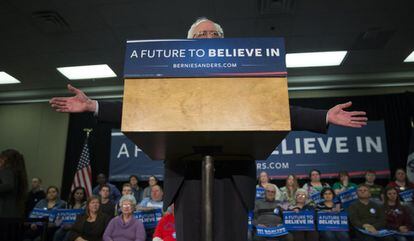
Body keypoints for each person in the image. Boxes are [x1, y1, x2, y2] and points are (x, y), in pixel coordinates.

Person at [49, 17, 368, 241]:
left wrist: (323, 116)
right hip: (186, 175)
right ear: (187, 46)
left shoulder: (245, 81)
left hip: (232, 175)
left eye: (212, 35)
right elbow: (139, 111)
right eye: (199, 36)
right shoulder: (169, 85)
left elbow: (276, 111)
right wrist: (93, 107)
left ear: (223, 44)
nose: (206, 40)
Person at [0, 149, 28, 218]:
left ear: (6, 159)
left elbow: (8, 186)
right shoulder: (18, 172)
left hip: (4, 211)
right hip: (14, 211)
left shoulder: (7, 170)